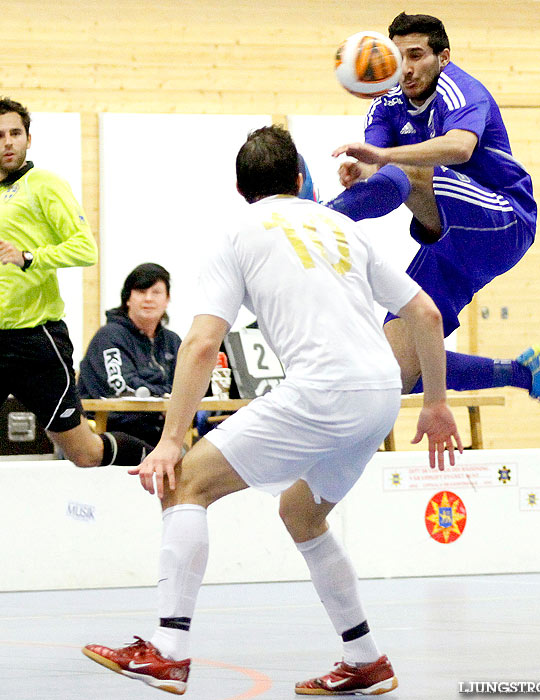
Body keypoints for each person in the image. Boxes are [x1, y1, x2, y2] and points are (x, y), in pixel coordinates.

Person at [82, 125, 461, 696]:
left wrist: (168, 440)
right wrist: (435, 403)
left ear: (239, 188)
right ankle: (365, 658)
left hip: (322, 391)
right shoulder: (341, 227)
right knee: (302, 515)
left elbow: (203, 343)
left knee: (183, 483)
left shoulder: (237, 232)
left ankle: (167, 650)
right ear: (301, 179)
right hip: (380, 393)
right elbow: (428, 316)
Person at [328, 13, 540, 424]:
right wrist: (360, 171)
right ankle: (523, 373)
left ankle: (317, 220)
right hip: (448, 239)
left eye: (417, 55)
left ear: (443, 57)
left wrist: (382, 163)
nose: (405, 68)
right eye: (398, 55)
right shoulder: (386, 103)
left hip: (504, 219)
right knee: (396, 372)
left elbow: (459, 148)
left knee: (410, 171)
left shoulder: (461, 89)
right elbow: (377, 163)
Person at [0, 97, 153, 467]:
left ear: (29, 139)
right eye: (0, 135)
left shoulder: (44, 185)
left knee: (84, 454)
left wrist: (30, 257)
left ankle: (155, 461)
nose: (7, 142)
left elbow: (85, 249)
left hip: (35, 342)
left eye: (15, 133)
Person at [78, 263, 182, 446]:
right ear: (128, 299)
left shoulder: (172, 341)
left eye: (156, 292)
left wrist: (162, 394)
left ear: (167, 299)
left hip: (160, 432)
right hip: (112, 433)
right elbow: (122, 388)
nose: (148, 299)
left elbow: (187, 386)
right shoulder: (109, 337)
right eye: (141, 292)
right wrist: (165, 395)